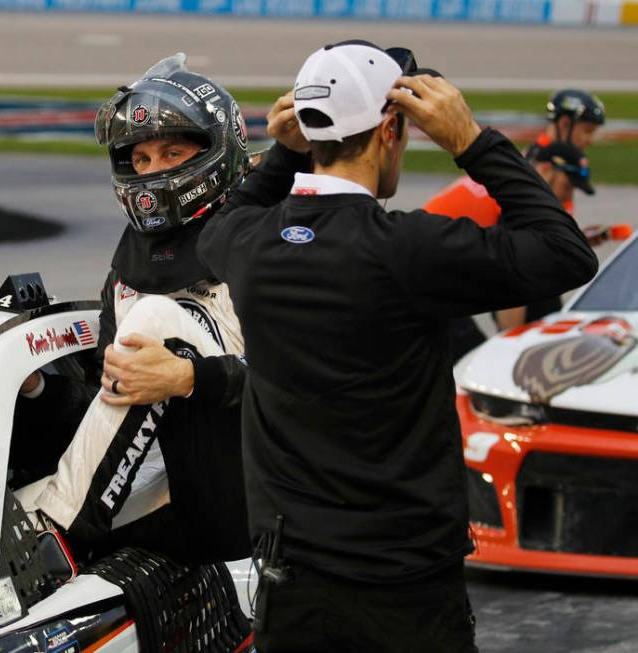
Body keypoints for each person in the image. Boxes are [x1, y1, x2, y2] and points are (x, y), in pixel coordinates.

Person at [197, 40, 598, 652]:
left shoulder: (246, 243)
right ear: (391, 129)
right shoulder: (408, 249)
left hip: (293, 581)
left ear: (306, 129)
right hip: (403, 583)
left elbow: (226, 217)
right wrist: (472, 141)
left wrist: (284, 154)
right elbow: (567, 252)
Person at [12, 54, 252, 564]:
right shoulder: (127, 271)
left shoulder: (271, 241)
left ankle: (60, 531)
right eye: (140, 160)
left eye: (171, 153)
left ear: (216, 151)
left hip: (256, 487)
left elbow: (316, 388)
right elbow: (98, 414)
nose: (152, 172)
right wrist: (37, 387)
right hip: (156, 490)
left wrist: (189, 377)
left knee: (154, 319)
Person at [424, 140, 598, 357]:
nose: (569, 197)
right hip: (430, 273)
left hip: (447, 256)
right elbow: (512, 279)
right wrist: (509, 353)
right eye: (568, 187)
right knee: (472, 359)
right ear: (546, 170)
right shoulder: (518, 202)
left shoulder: (520, 181)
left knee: (543, 294)